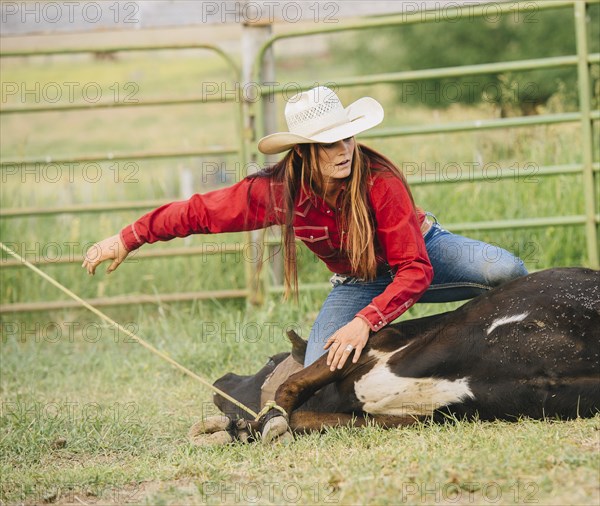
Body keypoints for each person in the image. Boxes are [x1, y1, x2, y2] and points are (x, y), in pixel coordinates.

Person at [83, 86, 527, 372]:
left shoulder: (380, 180)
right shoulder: (278, 191)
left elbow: (414, 268)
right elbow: (200, 212)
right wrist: (127, 237)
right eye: (328, 142)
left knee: (505, 272)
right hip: (359, 280)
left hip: (424, 253)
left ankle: (505, 349)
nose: (343, 149)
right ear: (303, 151)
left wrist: (364, 322)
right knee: (319, 368)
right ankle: (409, 341)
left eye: (347, 137)